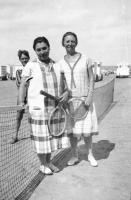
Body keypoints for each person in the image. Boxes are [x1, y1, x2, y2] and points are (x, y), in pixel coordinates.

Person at [17, 36, 70, 175]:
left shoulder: (58, 65)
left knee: (51, 139)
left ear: (49, 48)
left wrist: (66, 93)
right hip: (38, 110)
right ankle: (43, 164)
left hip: (55, 110)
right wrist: (21, 102)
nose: (42, 52)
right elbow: (23, 85)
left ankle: (48, 162)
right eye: (38, 50)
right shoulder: (30, 66)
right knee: (41, 141)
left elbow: (66, 86)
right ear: (35, 51)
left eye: (44, 48)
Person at [55, 31, 98, 167]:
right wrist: (63, 95)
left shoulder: (86, 59)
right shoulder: (60, 63)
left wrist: (90, 95)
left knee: (87, 132)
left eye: (72, 41)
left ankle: (90, 155)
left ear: (76, 42)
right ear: (63, 43)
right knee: (72, 133)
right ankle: (74, 155)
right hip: (70, 103)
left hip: (85, 100)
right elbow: (61, 83)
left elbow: (92, 78)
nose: (70, 43)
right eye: (67, 41)